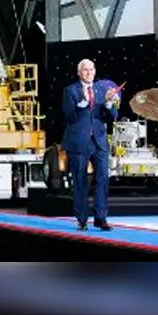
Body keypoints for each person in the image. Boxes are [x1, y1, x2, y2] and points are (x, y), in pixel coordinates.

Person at [61, 59, 121, 231]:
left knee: (102, 179)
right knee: (80, 181)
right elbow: (69, 114)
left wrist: (109, 104)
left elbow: (112, 116)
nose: (89, 72)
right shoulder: (70, 90)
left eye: (91, 69)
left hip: (99, 141)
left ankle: (101, 218)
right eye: (85, 70)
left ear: (95, 71)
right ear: (79, 72)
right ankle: (81, 219)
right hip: (78, 141)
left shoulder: (102, 90)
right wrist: (83, 103)